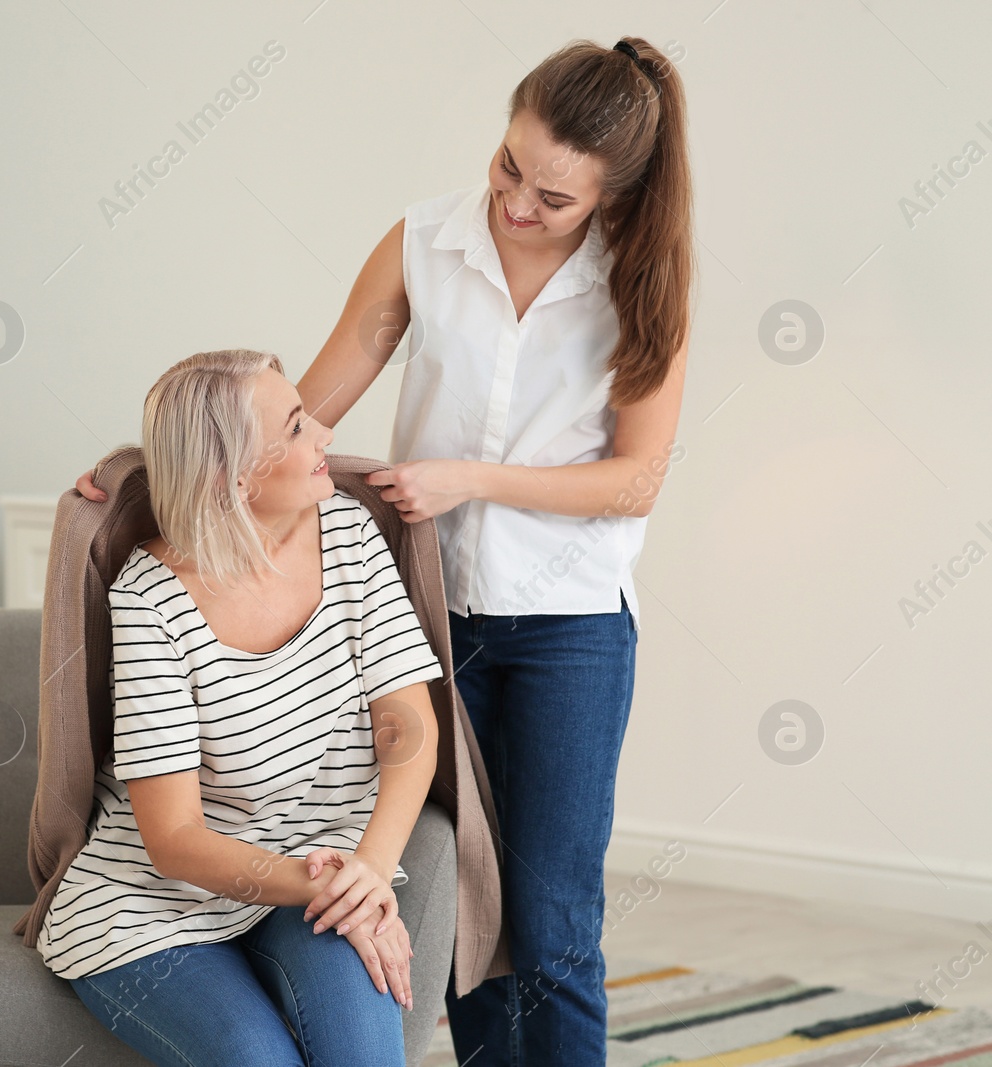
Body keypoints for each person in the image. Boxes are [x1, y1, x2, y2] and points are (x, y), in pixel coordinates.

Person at [76, 36, 693, 1067]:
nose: (517, 205)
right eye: (509, 167)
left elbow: (635, 479)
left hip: (567, 630)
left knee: (551, 918)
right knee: (469, 907)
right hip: (430, 615)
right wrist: (155, 466)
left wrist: (467, 479)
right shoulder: (421, 242)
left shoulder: (643, 284)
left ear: (612, 197)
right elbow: (297, 410)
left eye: (553, 197)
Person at [41, 348, 456, 1066]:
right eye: (296, 428)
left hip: (312, 879)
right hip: (149, 909)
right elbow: (174, 839)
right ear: (231, 475)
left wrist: (369, 871)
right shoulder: (150, 599)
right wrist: (328, 884)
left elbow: (407, 723)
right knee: (254, 1059)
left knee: (362, 1053)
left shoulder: (351, 535)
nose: (324, 434)